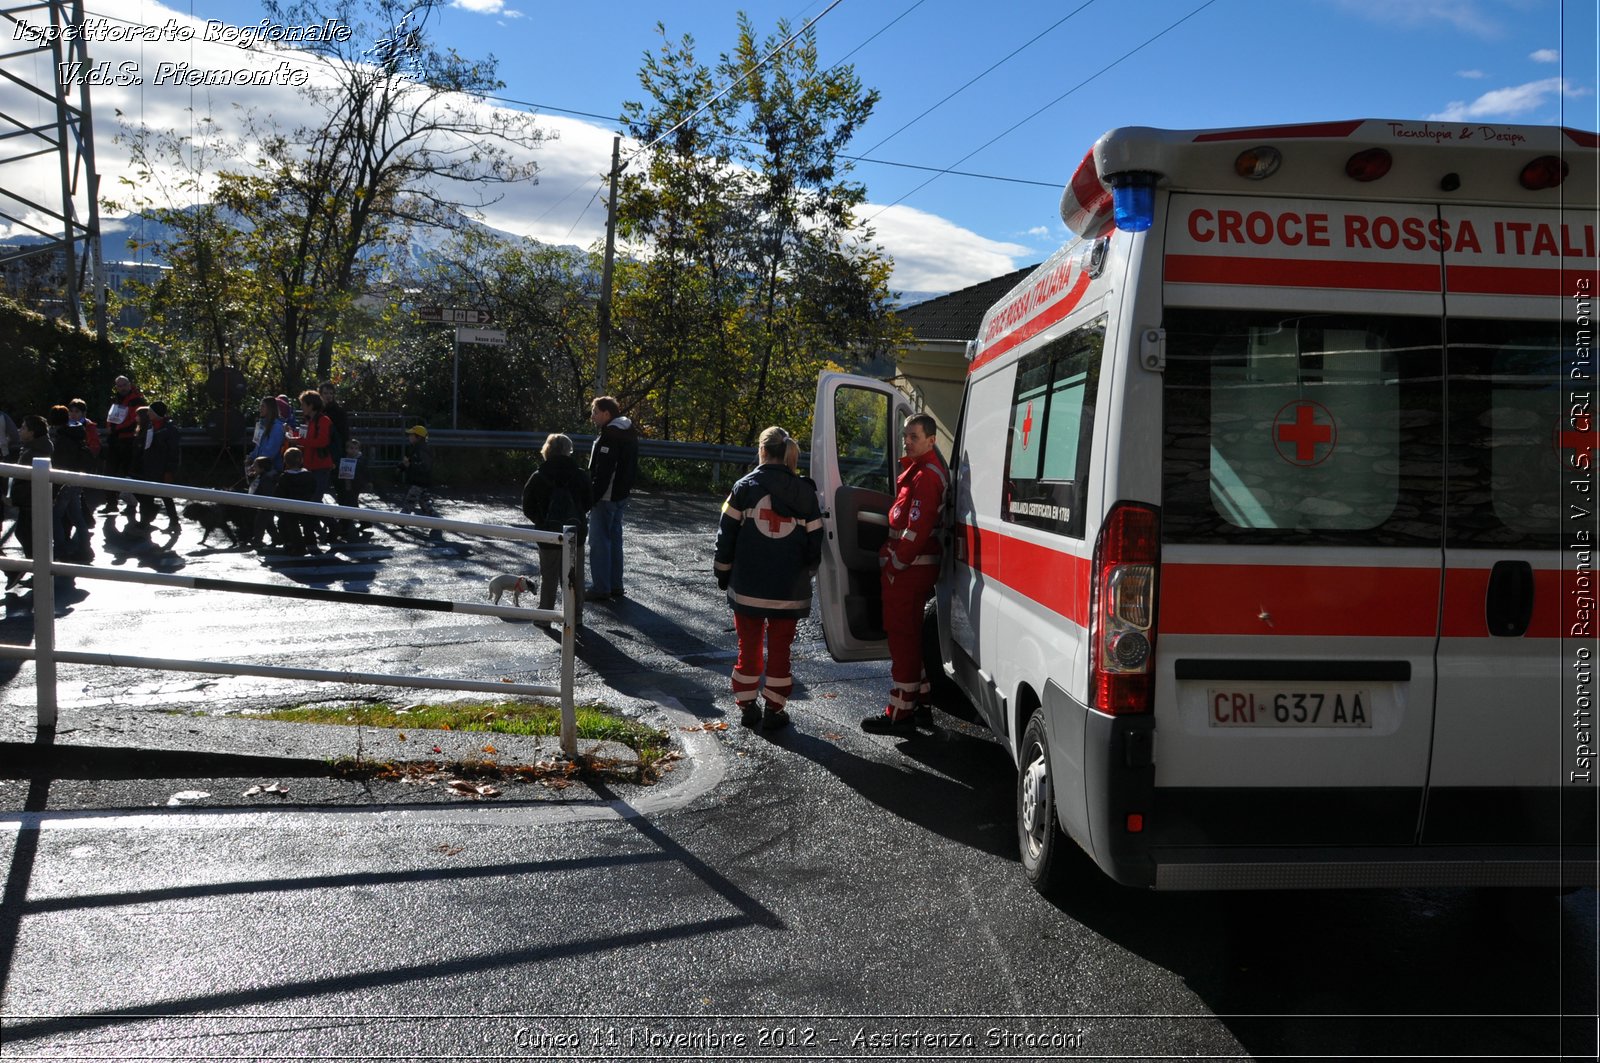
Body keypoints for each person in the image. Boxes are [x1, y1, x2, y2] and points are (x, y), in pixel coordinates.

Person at [714, 426, 823, 731]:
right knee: (780, 650)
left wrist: (723, 573)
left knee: (747, 646)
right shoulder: (805, 492)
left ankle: (747, 706)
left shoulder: (743, 488)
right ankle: (775, 709)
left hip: (748, 586)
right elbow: (816, 544)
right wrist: (806, 575)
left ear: (762, 451)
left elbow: (726, 537)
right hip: (789, 590)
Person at [861, 413, 950, 735]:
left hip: (910, 569)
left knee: (902, 637)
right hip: (912, 567)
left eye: (914, 436)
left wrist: (896, 565)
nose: (907, 441)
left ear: (931, 440)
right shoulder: (917, 472)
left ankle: (900, 712)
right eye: (905, 436)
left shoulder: (926, 476)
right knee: (910, 636)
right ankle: (921, 702)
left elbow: (916, 528)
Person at [521, 433, 592, 622]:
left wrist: (542, 520)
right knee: (574, 577)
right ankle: (575, 615)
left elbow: (527, 507)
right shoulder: (579, 475)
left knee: (549, 575)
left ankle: (545, 615)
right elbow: (588, 502)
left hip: (548, 533)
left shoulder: (539, 475)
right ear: (568, 450)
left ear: (548, 450)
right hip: (574, 532)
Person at [585, 395, 639, 602]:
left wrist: (591, 498)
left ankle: (601, 587)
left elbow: (604, 471)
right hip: (621, 495)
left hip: (607, 496)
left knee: (599, 543)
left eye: (595, 412)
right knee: (614, 540)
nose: (592, 417)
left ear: (606, 413)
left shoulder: (611, 434)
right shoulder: (628, 432)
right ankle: (615, 585)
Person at [7, 414, 53, 586]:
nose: (20, 430)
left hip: (31, 501)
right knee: (29, 535)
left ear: (32, 432)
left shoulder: (33, 452)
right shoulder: (33, 448)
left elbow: (25, 482)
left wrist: (15, 499)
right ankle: (36, 570)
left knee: (28, 535)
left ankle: (38, 571)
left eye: (24, 427)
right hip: (30, 500)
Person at [45, 405, 92, 560]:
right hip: (76, 479)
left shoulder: (62, 438)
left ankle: (60, 548)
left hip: (64, 481)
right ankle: (85, 548)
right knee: (76, 516)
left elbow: (60, 463)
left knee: (55, 516)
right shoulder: (76, 432)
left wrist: (54, 488)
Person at [132, 401, 180, 528]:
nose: (147, 413)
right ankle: (144, 521)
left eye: (150, 412)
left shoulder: (169, 430)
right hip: (148, 467)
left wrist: (169, 471)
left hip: (162, 468)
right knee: (146, 495)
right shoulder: (150, 427)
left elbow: (174, 452)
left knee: (166, 496)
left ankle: (174, 522)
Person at [102, 374, 145, 514]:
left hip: (128, 441)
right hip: (115, 440)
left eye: (124, 385)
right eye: (119, 386)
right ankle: (111, 504)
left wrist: (115, 429)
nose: (122, 388)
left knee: (128, 474)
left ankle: (131, 505)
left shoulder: (137, 400)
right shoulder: (116, 399)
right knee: (109, 473)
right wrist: (111, 429)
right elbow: (111, 417)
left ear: (129, 385)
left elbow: (135, 421)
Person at [274, 447, 319, 553]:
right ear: (301, 460)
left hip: (289, 506)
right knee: (308, 524)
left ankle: (296, 545)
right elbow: (314, 487)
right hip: (306, 503)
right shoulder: (309, 476)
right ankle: (311, 541)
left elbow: (279, 492)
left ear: (285, 461)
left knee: (289, 525)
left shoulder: (284, 477)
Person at [399, 424, 434, 514]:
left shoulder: (422, 450)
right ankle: (438, 522)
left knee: (409, 502)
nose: (409, 437)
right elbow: (410, 461)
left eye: (411, 435)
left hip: (419, 481)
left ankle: (401, 520)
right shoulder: (416, 448)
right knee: (426, 506)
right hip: (419, 481)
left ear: (418, 437)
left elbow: (425, 467)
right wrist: (401, 467)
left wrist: (408, 466)